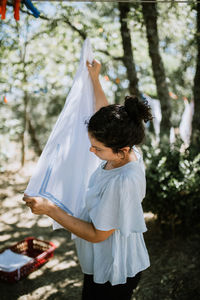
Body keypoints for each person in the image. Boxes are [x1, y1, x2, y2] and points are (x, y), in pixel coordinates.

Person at [23, 59, 152, 300]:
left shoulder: (121, 181)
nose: (92, 152)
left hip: (114, 270)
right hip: (105, 263)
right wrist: (94, 78)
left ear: (122, 150)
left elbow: (97, 234)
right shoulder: (128, 151)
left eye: (97, 148)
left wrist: (50, 209)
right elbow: (105, 114)